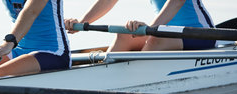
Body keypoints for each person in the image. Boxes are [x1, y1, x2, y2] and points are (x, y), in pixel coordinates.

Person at [65, 0, 215, 52]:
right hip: (163, 32)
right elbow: (109, 1)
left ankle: (134, 82)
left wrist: (151, 29)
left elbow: (177, 2)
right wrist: (82, 23)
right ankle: (105, 75)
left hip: (199, 33)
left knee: (157, 39)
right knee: (124, 34)